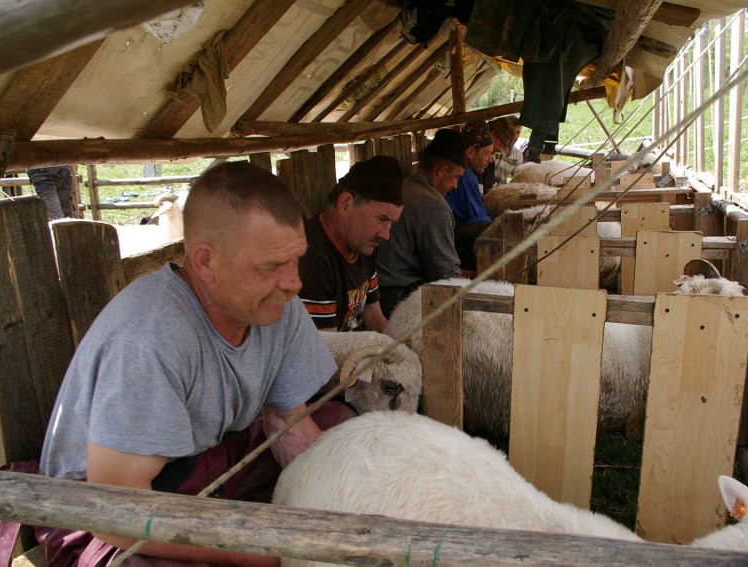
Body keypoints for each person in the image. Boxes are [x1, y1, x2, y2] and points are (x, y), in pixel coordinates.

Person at [36, 161, 351, 566]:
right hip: (107, 506)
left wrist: (340, 508)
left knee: (340, 430)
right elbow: (116, 514)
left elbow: (288, 426)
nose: (294, 282)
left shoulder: (276, 304)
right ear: (205, 263)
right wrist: (278, 555)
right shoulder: (147, 337)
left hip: (204, 465)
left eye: (295, 260)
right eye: (271, 266)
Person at [298, 155, 404, 332]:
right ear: (346, 204)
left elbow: (374, 317)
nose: (386, 235)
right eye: (381, 219)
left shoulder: (364, 244)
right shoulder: (311, 257)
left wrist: (401, 351)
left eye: (391, 223)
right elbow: (327, 347)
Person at [377, 129, 466, 317]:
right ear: (441, 170)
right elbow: (445, 276)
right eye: (457, 177)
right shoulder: (435, 207)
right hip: (397, 299)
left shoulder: (404, 186)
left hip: (376, 292)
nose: (455, 186)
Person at [444, 121, 494, 272]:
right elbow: (479, 219)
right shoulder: (465, 176)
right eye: (487, 153)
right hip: (453, 237)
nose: (490, 160)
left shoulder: (468, 174)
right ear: (471, 152)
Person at [480, 116, 516, 193]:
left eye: (503, 147)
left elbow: (493, 191)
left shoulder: (490, 164)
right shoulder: (477, 164)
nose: (499, 150)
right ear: (492, 135)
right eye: (500, 145)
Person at [492, 116, 526, 187]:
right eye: (512, 132)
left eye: (518, 132)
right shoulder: (494, 149)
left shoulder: (518, 155)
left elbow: (517, 180)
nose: (514, 136)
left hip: (501, 194)